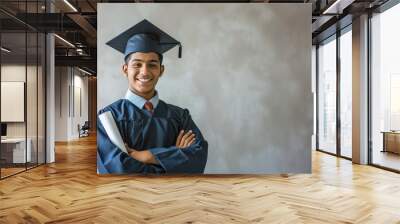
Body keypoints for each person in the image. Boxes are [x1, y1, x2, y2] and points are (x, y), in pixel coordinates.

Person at [97, 19, 208, 174]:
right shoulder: (108, 117)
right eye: (137, 64)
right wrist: (174, 156)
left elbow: (198, 156)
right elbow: (118, 169)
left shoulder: (180, 116)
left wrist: (146, 156)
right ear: (125, 69)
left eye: (152, 64)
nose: (144, 72)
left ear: (161, 70)